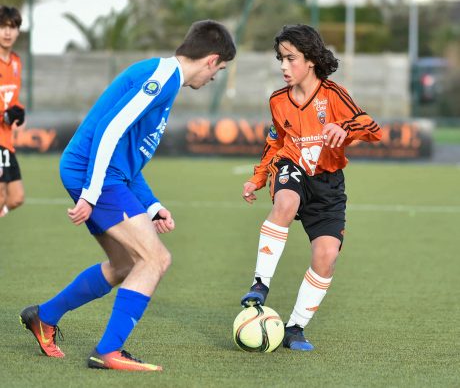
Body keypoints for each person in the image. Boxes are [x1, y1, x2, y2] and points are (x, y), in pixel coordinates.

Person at [20, 19, 236, 371]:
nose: (214, 78)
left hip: (105, 175)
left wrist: (152, 205)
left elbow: (127, 156)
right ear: (211, 60)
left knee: (124, 264)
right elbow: (109, 129)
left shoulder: (166, 80)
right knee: (155, 260)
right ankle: (108, 351)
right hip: (96, 176)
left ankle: (44, 317)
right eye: (220, 69)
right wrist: (90, 193)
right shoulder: (163, 78)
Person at [240, 24, 382, 351]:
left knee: (326, 255)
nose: (283, 67)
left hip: (328, 184)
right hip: (293, 169)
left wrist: (343, 128)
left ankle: (294, 329)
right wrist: (258, 178)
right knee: (286, 201)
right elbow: (275, 142)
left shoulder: (333, 95)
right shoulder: (278, 100)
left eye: (290, 59)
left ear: (310, 61)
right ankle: (260, 284)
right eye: (281, 59)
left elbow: (372, 128)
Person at [0, 6, 25, 218]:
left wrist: (18, 112)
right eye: (2, 27)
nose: (7, 32)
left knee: (15, 198)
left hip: (6, 140)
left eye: (12, 27)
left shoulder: (16, 62)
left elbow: (12, 100)